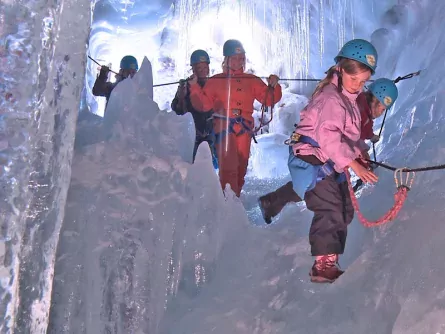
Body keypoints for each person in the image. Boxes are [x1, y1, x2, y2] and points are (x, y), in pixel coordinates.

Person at [276, 39, 379, 283]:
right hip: (312, 158)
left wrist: (359, 154)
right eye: (354, 79)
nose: (357, 86)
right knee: (331, 207)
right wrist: (353, 163)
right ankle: (322, 266)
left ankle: (331, 257)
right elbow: (329, 137)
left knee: (344, 208)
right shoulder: (332, 98)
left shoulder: (349, 99)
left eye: (363, 82)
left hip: (327, 159)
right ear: (341, 70)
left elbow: (348, 136)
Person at [258, 77, 399, 225]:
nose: (381, 113)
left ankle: (270, 202)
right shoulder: (358, 110)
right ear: (375, 101)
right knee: (314, 185)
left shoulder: (362, 108)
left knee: (312, 184)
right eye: (382, 109)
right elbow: (349, 138)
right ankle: (270, 203)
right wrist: (359, 161)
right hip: (317, 149)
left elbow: (357, 138)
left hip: (322, 151)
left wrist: (364, 150)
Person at [188, 39, 282, 197]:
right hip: (224, 128)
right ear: (226, 59)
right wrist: (195, 88)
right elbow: (203, 105)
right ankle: (227, 203)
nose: (239, 61)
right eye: (235, 58)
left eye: (241, 58)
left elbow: (269, 99)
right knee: (229, 168)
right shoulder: (216, 81)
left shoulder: (251, 80)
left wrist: (274, 86)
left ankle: (233, 201)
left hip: (244, 129)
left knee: (241, 168)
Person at [171, 49, 218, 169]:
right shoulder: (186, 85)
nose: (202, 71)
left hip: (209, 129)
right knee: (192, 163)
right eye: (199, 68)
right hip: (193, 130)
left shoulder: (213, 84)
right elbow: (176, 109)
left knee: (209, 163)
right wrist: (182, 94)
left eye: (204, 67)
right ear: (193, 69)